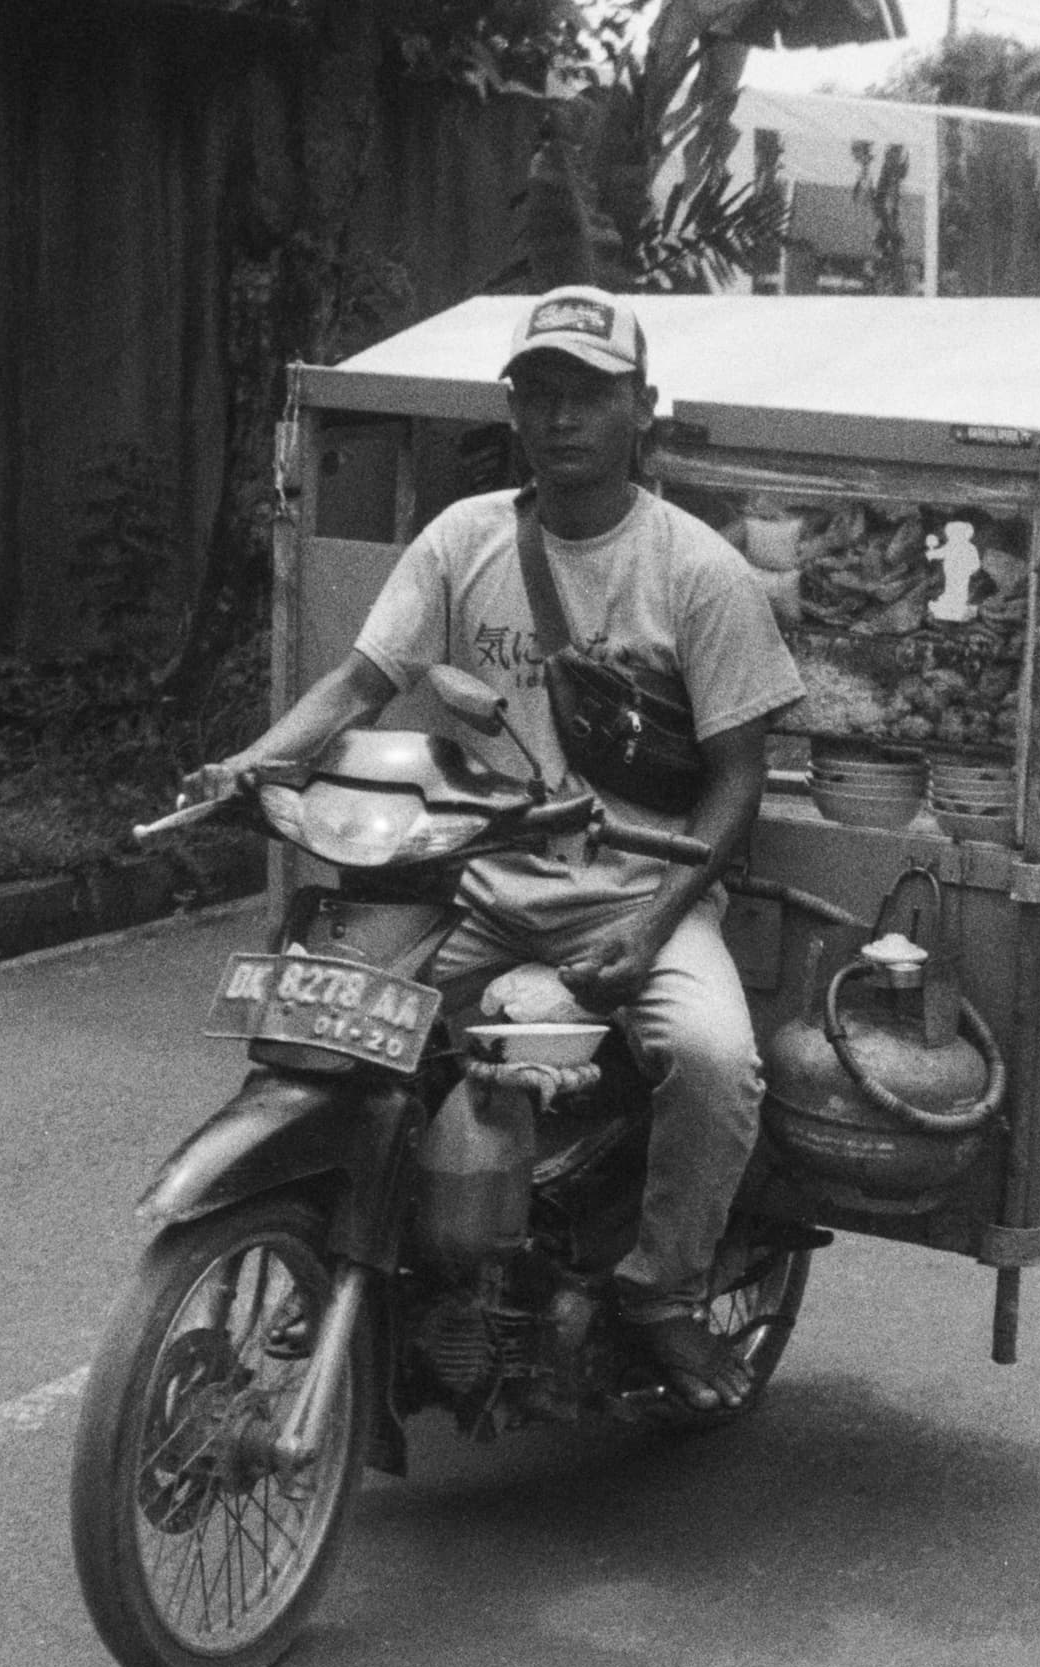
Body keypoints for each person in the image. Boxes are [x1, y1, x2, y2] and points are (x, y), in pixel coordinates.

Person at [194, 286, 802, 1407]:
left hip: (641, 889)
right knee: (334, 1015)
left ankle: (660, 1290)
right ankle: (342, 1257)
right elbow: (356, 684)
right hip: (477, 884)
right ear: (512, 413)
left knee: (717, 1066)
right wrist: (253, 763)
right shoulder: (464, 537)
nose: (562, 418)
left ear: (641, 414)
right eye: (540, 395)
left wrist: (651, 921)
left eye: (589, 396)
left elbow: (738, 781)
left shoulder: (699, 570)